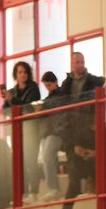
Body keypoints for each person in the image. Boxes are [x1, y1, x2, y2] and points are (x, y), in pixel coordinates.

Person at [59, 51, 106, 209]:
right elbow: (63, 112)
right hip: (73, 135)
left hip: (88, 133)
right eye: (77, 62)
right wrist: (72, 144)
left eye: (82, 62)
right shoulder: (66, 85)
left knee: (95, 169)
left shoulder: (95, 81)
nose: (80, 65)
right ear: (71, 64)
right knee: (74, 177)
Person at [0, 60, 41, 199]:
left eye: (25, 72)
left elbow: (29, 107)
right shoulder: (12, 91)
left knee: (31, 160)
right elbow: (5, 110)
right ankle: (22, 193)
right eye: (20, 72)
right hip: (16, 130)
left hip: (30, 129)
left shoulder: (33, 88)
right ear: (15, 75)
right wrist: (8, 100)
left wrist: (13, 99)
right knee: (19, 162)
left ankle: (34, 191)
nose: (22, 75)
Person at [36, 71, 65, 202]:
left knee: (47, 157)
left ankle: (53, 188)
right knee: (46, 158)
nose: (48, 88)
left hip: (56, 131)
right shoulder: (48, 99)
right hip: (47, 131)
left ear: (55, 82)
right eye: (46, 86)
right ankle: (52, 188)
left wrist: (42, 109)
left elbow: (57, 110)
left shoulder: (61, 95)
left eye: (49, 85)